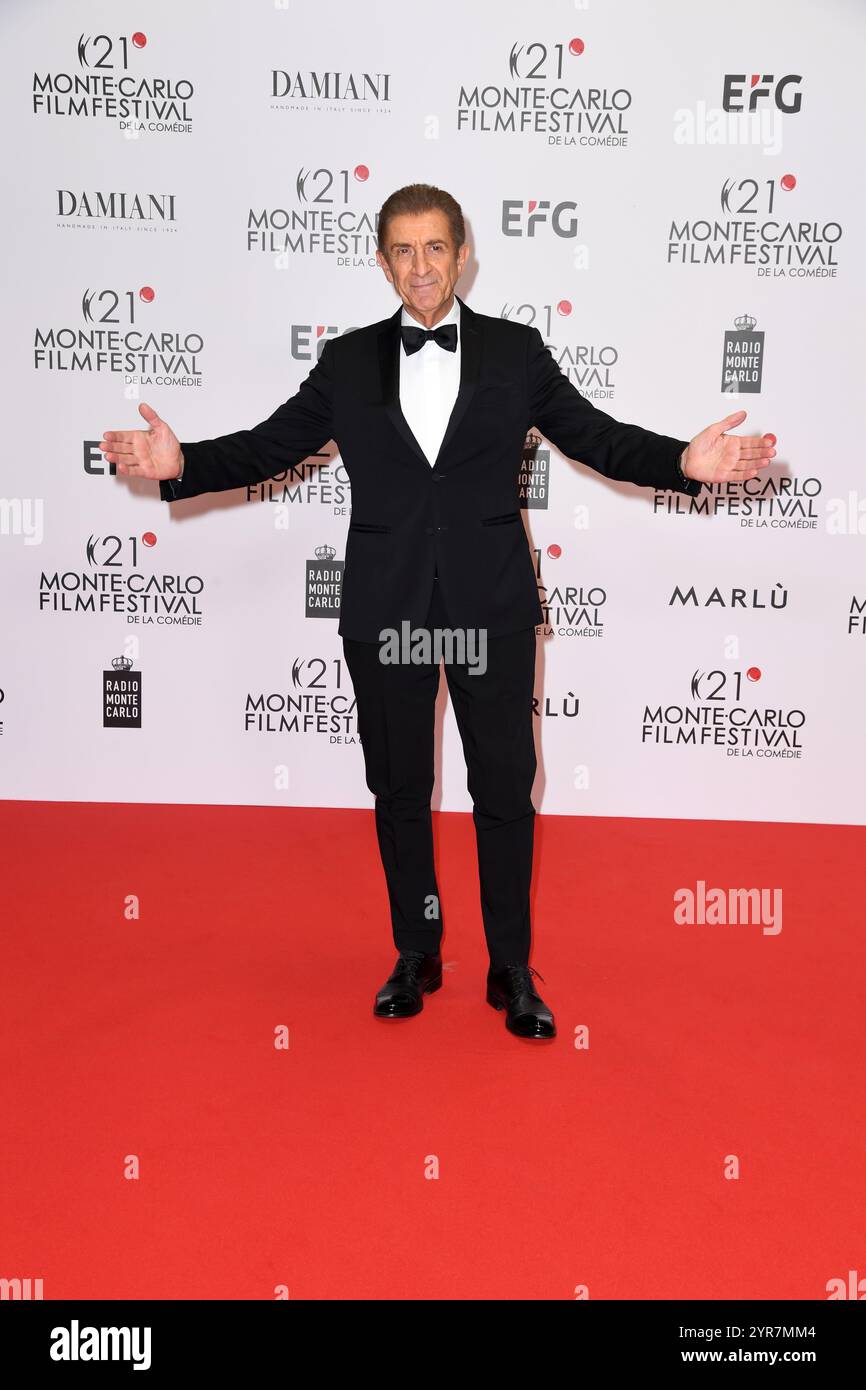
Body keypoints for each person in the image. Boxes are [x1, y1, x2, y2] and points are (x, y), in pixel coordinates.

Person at [100, 182, 776, 1042]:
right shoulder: (346, 363)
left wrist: (683, 459)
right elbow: (272, 444)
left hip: (488, 603)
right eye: (402, 252)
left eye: (435, 249)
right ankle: (416, 952)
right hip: (386, 607)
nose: (420, 267)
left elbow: (596, 438)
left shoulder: (515, 353)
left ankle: (510, 968)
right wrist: (180, 461)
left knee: (502, 790)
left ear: (462, 255)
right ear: (382, 263)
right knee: (400, 789)